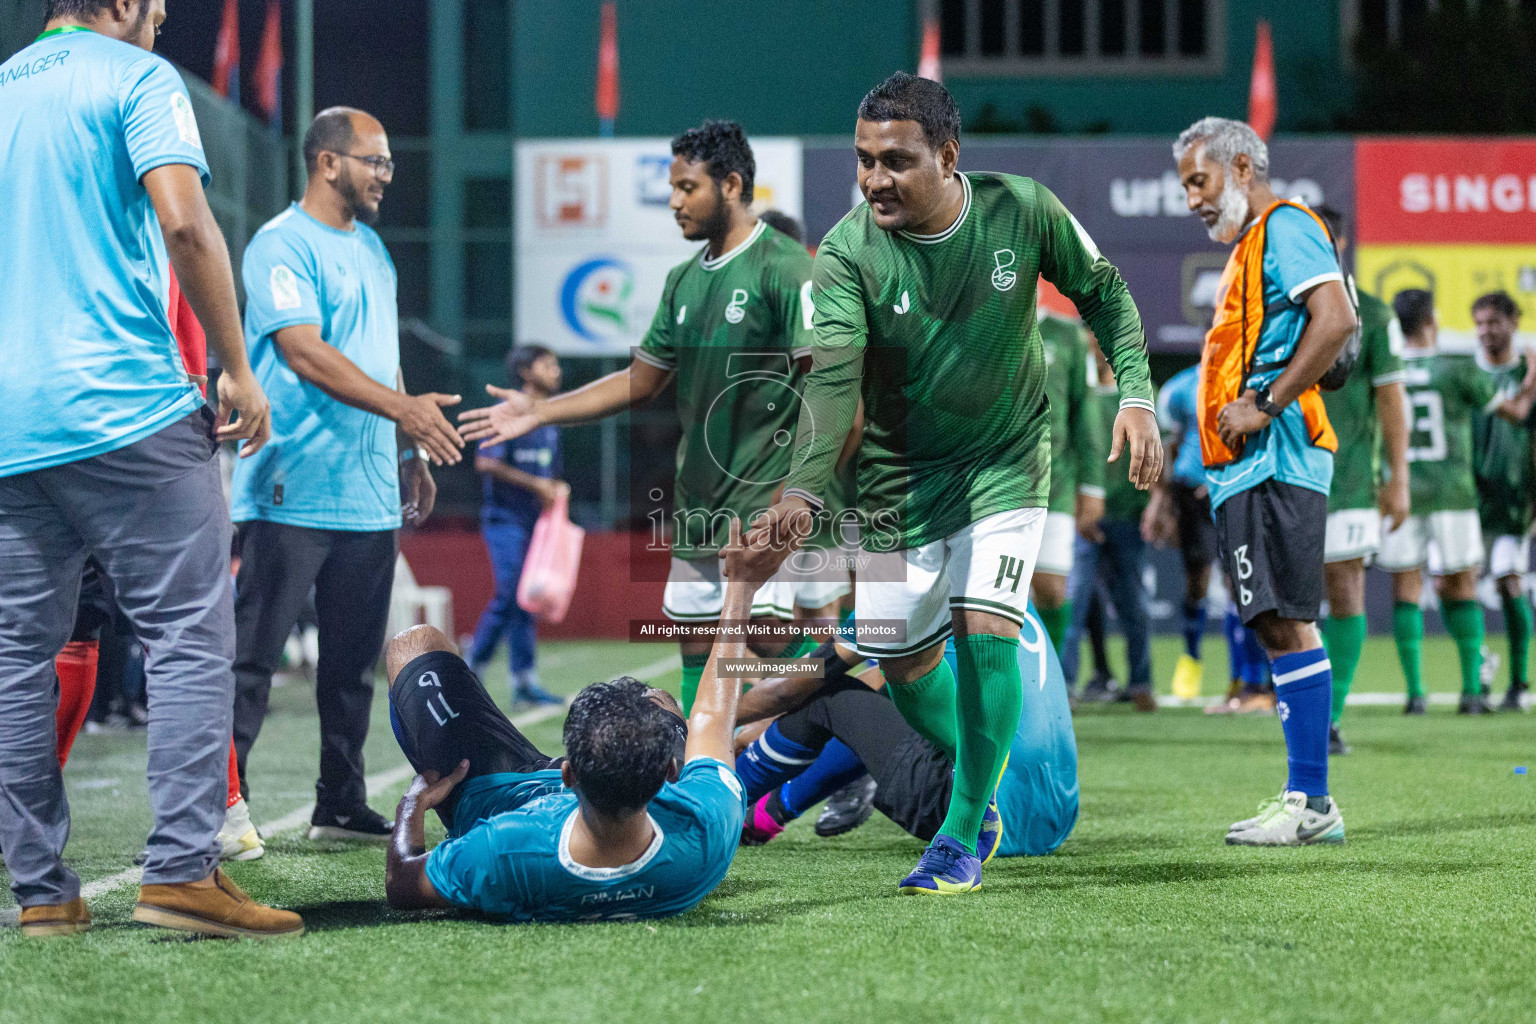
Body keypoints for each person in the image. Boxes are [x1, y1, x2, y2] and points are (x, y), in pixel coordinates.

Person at [746, 72, 1161, 894]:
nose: (874, 180)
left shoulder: (1023, 209)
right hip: (898, 485)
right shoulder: (845, 253)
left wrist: (1138, 397)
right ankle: (981, 785)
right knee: (902, 669)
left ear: (947, 155)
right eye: (864, 161)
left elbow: (1106, 292)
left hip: (1006, 459)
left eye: (895, 161)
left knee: (985, 629)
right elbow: (830, 386)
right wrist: (802, 490)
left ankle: (963, 830)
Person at [0, 0, 299, 939]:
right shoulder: (136, 78)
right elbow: (187, 227)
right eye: (157, 2)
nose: (164, 14)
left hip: (11, 424)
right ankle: (179, 872)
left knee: (15, 659)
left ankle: (42, 894)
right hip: (123, 407)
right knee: (188, 633)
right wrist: (238, 364)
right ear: (120, 1)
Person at [460, 121, 815, 715]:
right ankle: (707, 783)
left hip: (761, 508)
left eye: (686, 187)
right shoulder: (682, 280)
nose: (674, 201)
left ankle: (844, 716)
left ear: (731, 185)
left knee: (769, 651)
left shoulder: (783, 267)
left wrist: (788, 498)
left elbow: (825, 388)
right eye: (672, 187)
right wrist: (540, 409)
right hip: (698, 508)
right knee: (699, 651)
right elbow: (638, 381)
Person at [231, 107, 462, 843]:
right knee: (252, 661)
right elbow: (304, 352)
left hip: (367, 495)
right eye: (376, 161)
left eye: (389, 163)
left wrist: (408, 449)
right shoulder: (279, 244)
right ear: (328, 162)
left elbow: (380, 357)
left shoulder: (373, 251)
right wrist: (408, 409)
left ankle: (339, 801)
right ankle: (215, 806)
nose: (387, 176)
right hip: (291, 486)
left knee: (351, 670)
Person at [380, 519, 761, 922]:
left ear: (568, 774)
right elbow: (713, 716)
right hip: (617, 787)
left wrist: (413, 804)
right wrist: (742, 590)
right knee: (659, 702)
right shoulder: (703, 832)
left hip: (495, 792)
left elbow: (402, 883)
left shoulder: (504, 848)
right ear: (670, 773)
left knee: (414, 643)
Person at [1175, 117, 1357, 846]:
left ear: (1243, 165)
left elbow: (1337, 319)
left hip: (1279, 453)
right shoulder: (1251, 245)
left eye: (1199, 179)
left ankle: (1312, 801)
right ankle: (1306, 797)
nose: (1191, 197)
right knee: (1274, 621)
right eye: (1186, 183)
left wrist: (1268, 402)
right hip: (1246, 466)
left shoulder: (1286, 224)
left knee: (1286, 619)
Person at [734, 604, 1078, 858]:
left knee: (824, 698)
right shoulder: (1000, 589)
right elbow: (882, 685)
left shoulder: (911, 594)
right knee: (902, 696)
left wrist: (711, 721)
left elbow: (788, 688)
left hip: (985, 817)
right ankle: (767, 813)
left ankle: (725, 804)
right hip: (1057, 815)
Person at [1379, 289, 1535, 715]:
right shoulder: (1457, 369)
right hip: (1453, 492)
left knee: (1406, 590)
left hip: (1402, 491)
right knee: (1462, 584)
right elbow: (1517, 412)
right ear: (1432, 320)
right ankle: (1472, 692)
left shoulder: (1383, 369)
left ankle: (1415, 695)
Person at [1313, 205, 1409, 753]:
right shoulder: (1283, 307)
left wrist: (1398, 478)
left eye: (1323, 236)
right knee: (1288, 605)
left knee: (1346, 589)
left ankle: (1329, 715)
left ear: (1342, 241)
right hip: (1288, 473)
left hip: (1348, 477)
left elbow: (1391, 399)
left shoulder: (1372, 312)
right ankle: (1298, 704)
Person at [465, 345, 567, 706]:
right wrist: (535, 484)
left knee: (527, 600)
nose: (557, 370)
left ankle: (523, 683)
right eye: (548, 363)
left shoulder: (549, 418)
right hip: (504, 520)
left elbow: (549, 471)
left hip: (536, 525)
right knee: (510, 594)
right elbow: (486, 464)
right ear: (526, 373)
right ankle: (470, 670)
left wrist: (555, 487)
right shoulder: (507, 412)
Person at [1062, 340, 1155, 710]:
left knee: (1131, 604)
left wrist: (1155, 506)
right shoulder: (1078, 393)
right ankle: (1065, 686)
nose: (1095, 343)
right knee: (1075, 603)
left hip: (1126, 514)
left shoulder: (1140, 397)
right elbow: (1067, 452)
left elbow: (1156, 454)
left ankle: (1141, 683)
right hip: (1087, 515)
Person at [1469, 291, 1535, 711]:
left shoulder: (1528, 371)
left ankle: (1518, 683)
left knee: (1508, 579)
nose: (1485, 330)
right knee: (1451, 584)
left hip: (1516, 496)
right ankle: (1475, 672)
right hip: (1469, 493)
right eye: (1479, 323)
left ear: (1513, 322)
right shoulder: (1469, 373)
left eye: (1494, 321)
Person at [1033, 312, 1106, 653]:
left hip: (1054, 485)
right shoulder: (977, 320)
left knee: (1051, 589)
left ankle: (1049, 680)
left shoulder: (1068, 336)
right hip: (988, 484)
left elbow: (1085, 414)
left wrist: (1091, 488)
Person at [1145, 364, 1218, 699]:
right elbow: (1174, 442)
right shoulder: (1181, 386)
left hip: (1235, 486)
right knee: (1197, 581)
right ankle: (1192, 658)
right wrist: (1166, 502)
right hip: (1192, 492)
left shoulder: (1252, 375)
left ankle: (1249, 676)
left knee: (1240, 581)